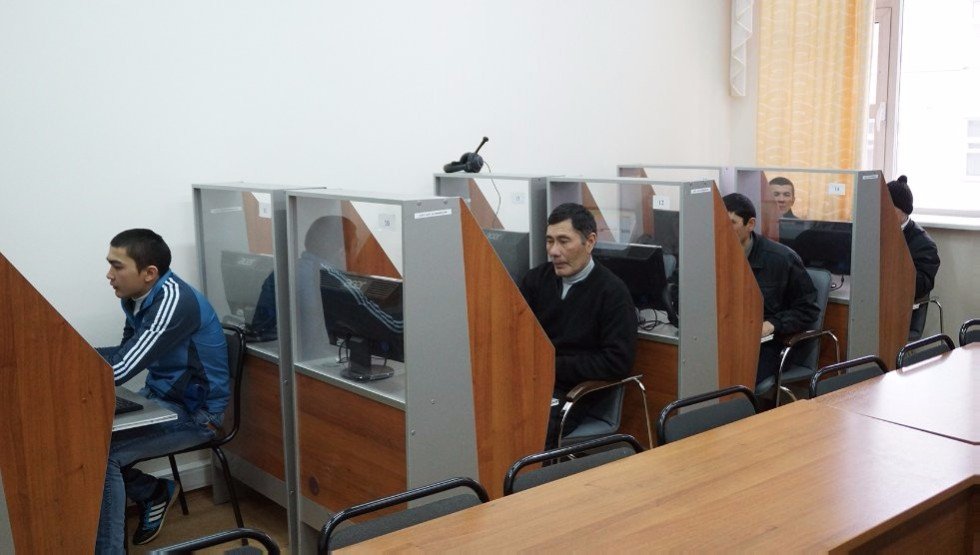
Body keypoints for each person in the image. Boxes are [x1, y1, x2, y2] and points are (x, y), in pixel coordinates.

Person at [96, 229, 230, 552]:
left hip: (198, 415)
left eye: (117, 266)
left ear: (149, 273)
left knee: (103, 455)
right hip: (160, 399)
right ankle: (154, 492)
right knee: (87, 441)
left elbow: (121, 368)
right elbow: (126, 351)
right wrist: (68, 356)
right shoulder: (135, 298)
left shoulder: (174, 301)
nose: (109, 275)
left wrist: (67, 366)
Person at [520, 203, 637, 448]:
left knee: (531, 428)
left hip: (576, 393)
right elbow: (514, 335)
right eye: (549, 241)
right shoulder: (535, 280)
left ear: (590, 242)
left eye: (564, 241)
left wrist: (550, 367)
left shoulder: (612, 293)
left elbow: (616, 362)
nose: (554, 251)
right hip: (530, 383)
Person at [722, 193, 819, 389]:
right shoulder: (712, 256)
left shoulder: (781, 259)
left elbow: (808, 309)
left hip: (769, 344)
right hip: (727, 337)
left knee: (731, 375)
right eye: (720, 222)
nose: (724, 229)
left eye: (731, 223)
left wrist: (773, 324)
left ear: (750, 224)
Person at [886, 175, 940, 339]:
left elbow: (920, 286)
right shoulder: (876, 233)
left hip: (902, 312)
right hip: (875, 304)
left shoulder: (924, 244)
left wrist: (892, 268)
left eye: (888, 206)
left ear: (902, 210)